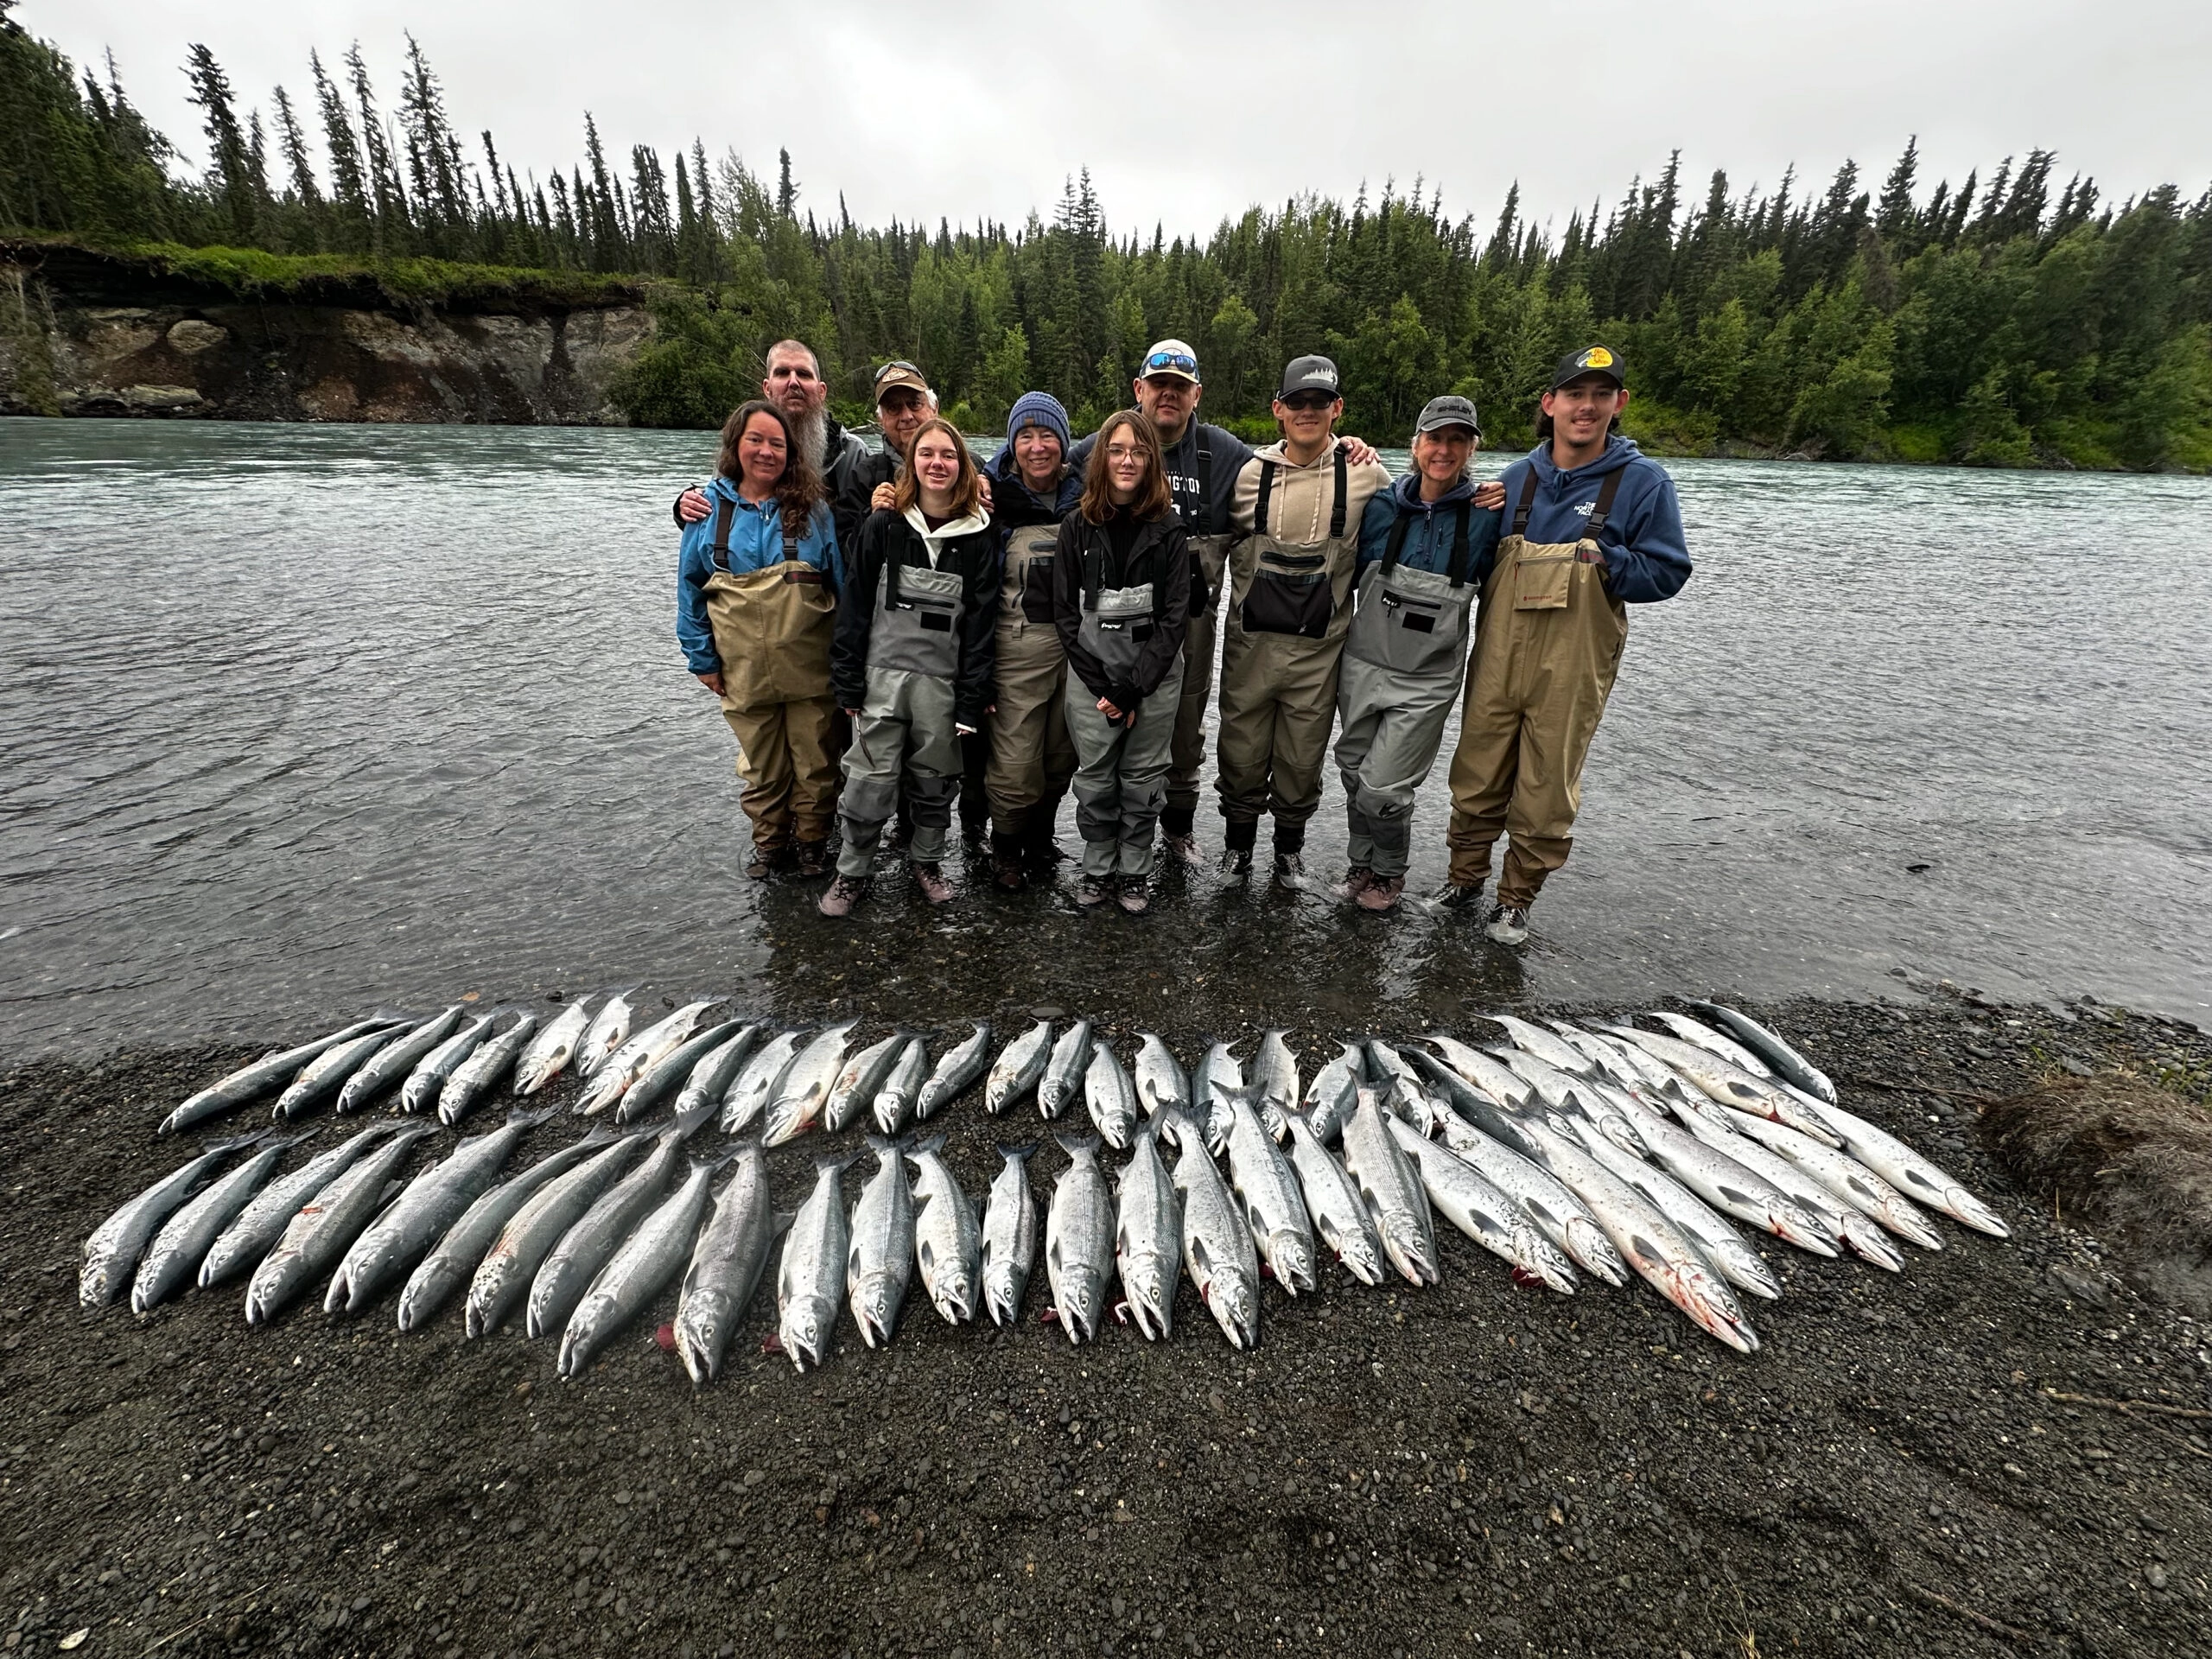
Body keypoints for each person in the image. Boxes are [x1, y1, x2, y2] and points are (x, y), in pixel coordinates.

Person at [1068, 342, 1382, 867]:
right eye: (1159, 384)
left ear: (1196, 395)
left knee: (1186, 729)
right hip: (1112, 620)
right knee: (1103, 729)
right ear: (1138, 389)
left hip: (1191, 621)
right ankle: (1107, 843)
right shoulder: (1108, 443)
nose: (1169, 395)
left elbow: (1293, 464)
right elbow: (1042, 458)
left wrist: (1345, 448)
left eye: (1180, 387)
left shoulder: (1227, 453)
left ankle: (1178, 830)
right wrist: (988, 475)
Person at [1437, 345, 1692, 944]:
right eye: (1575, 394)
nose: (1587, 406)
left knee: (1548, 786)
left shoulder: (1644, 483)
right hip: (1499, 655)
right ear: (1549, 404)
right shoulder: (1514, 479)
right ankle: (1462, 879)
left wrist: (1611, 558)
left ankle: (1516, 898)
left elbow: (1668, 573)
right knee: (1476, 771)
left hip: (1574, 664)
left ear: (1619, 404)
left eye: (1601, 395)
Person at [1215, 355, 1392, 890]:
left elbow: (1422, 505)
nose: (1308, 411)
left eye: (1320, 402)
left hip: (1320, 655)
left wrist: (1480, 495)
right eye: (1297, 402)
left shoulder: (1368, 473)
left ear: (1337, 409)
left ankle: (1288, 851)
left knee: (1301, 761)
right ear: (1279, 410)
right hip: (1251, 649)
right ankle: (1237, 849)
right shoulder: (1249, 474)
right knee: (1240, 754)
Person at [1333, 395, 1503, 912]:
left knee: (1384, 790)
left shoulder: (1488, 513)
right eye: (1435, 438)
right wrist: (1348, 444)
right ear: (1415, 445)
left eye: (1458, 440)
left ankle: (1390, 872)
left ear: (1472, 448)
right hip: (1363, 662)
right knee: (1352, 771)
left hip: (1427, 678)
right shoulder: (1382, 504)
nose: (1444, 450)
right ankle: (1361, 864)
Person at [823, 417, 998, 915]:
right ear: (912, 463)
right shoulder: (882, 525)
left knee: (934, 782)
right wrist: (847, 678)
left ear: (962, 466)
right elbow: (854, 605)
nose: (937, 463)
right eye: (927, 454)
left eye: (948, 455)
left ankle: (927, 863)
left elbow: (981, 626)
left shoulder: (980, 539)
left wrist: (971, 695)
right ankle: (852, 871)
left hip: (942, 687)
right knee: (868, 782)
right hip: (880, 680)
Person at [674, 399, 842, 877]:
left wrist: (850, 659)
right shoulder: (704, 509)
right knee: (762, 766)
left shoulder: (816, 512)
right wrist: (700, 659)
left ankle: (813, 842)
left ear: (792, 454)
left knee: (816, 763)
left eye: (777, 444)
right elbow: (689, 591)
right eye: (756, 440)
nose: (767, 452)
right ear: (735, 446)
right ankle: (770, 842)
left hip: (812, 670)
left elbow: (842, 587)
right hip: (741, 670)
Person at [1053, 409, 1192, 914]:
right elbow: (1064, 616)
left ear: (1152, 460)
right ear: (1100, 460)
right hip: (1091, 676)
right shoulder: (1075, 527)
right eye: (1116, 450)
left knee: (1143, 777)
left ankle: (1134, 869)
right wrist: (1104, 688)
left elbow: (1176, 620)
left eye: (1138, 451)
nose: (1127, 460)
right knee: (1095, 776)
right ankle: (1097, 865)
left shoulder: (1171, 531)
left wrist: (1133, 688)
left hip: (1152, 678)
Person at [982, 391, 1084, 890]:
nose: (1037, 447)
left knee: (1061, 755)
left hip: (1076, 649)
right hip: (1017, 646)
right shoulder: (989, 494)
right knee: (1016, 760)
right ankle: (1004, 848)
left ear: (1064, 444)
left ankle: (1041, 839)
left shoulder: (1088, 494)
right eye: (1026, 436)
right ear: (1012, 444)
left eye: (1048, 436)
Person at [671, 340, 867, 531]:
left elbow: (867, 534)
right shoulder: (740, 449)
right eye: (782, 373)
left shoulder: (851, 453)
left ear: (821, 391)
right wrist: (686, 508)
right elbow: (714, 518)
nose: (793, 382)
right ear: (767, 388)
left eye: (803, 374)